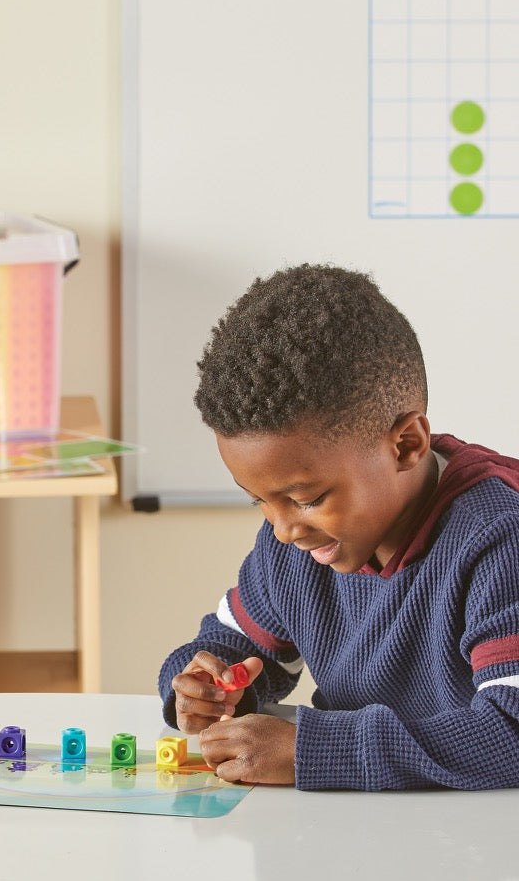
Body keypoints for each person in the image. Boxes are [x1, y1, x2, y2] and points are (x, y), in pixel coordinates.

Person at [158, 263, 519, 790]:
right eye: (259, 501)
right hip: (365, 830)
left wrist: (315, 749)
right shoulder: (302, 545)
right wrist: (203, 687)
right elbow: (237, 644)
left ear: (406, 445)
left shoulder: (498, 538)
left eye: (308, 498)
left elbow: (509, 732)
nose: (282, 529)